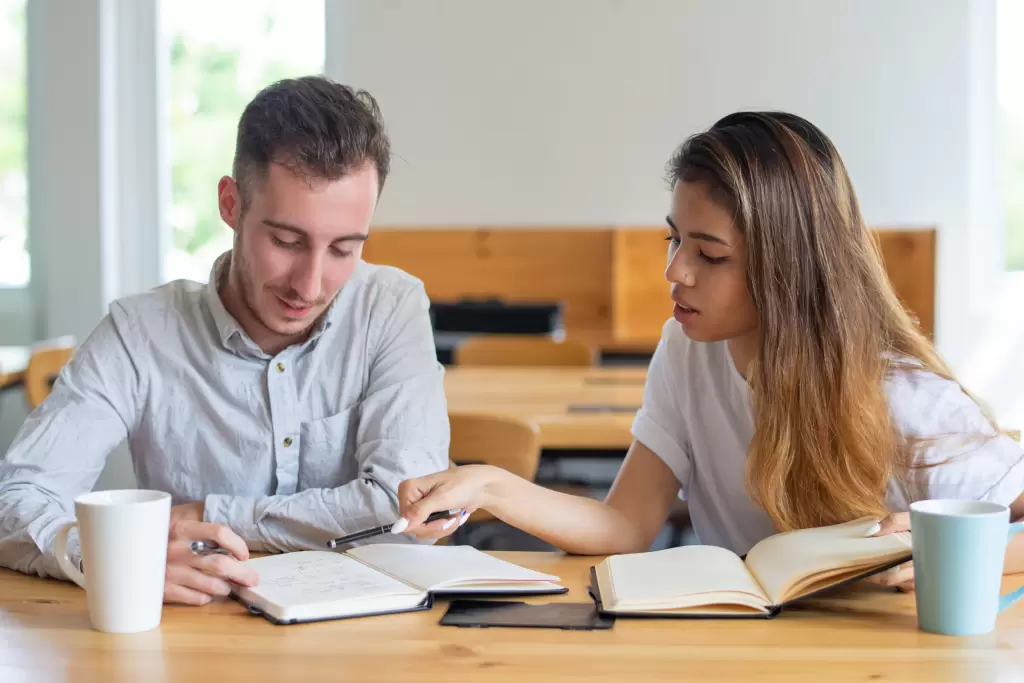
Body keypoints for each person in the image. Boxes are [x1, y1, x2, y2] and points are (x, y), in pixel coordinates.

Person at [393, 111, 1024, 591]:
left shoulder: (900, 395)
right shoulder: (686, 352)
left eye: (710, 255)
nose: (675, 272)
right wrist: (493, 487)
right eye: (674, 241)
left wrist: (946, 549)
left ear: (789, 268)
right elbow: (626, 527)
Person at [0, 76, 450, 605]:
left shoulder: (390, 306)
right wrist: (106, 555)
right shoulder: (141, 332)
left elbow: (404, 508)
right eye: (286, 241)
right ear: (231, 204)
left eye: (343, 250)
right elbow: (18, 498)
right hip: (190, 638)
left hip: (366, 640)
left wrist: (210, 515)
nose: (309, 286)